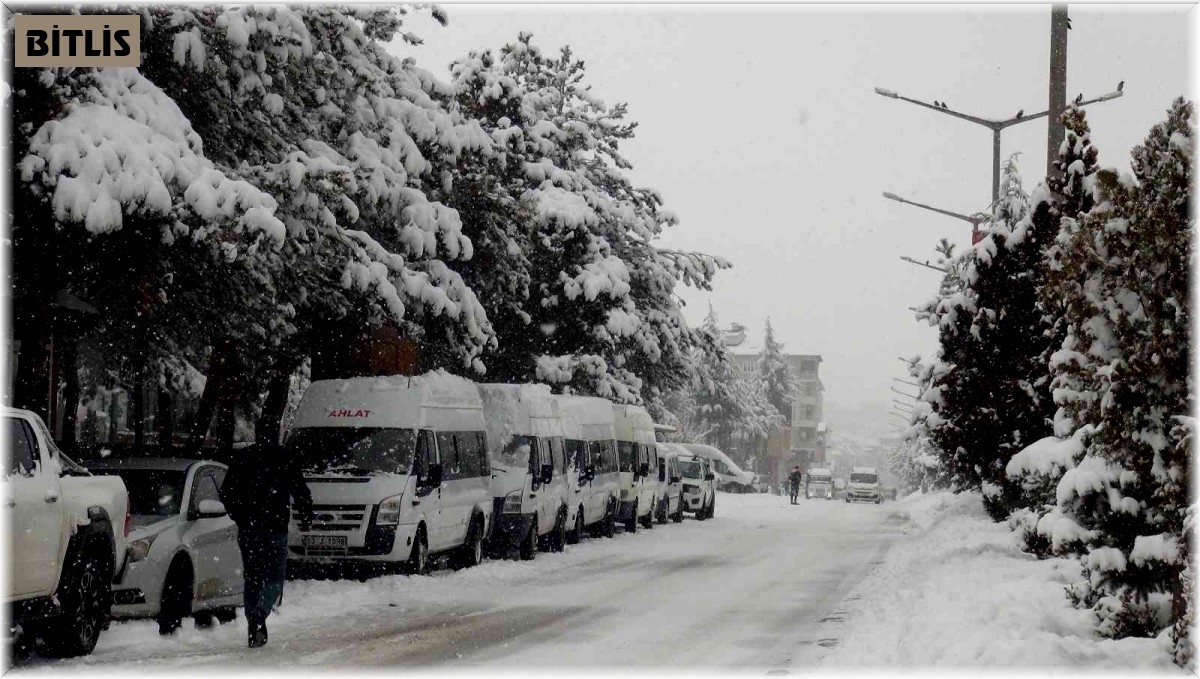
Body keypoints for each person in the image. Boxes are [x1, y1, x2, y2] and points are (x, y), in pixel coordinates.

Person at [219, 440, 314, 649]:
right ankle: (260, 613)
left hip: (249, 529)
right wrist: (306, 517)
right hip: (275, 528)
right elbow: (300, 489)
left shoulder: (244, 457)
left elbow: (226, 492)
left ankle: (252, 623)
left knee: (252, 578)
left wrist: (240, 516)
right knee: (275, 579)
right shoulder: (284, 457)